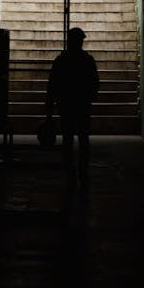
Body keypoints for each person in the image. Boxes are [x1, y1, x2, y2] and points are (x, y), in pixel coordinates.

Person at [46, 27, 99, 188]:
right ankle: (83, 173)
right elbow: (95, 83)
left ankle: (71, 174)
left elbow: (52, 86)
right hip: (82, 105)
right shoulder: (87, 60)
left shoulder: (61, 60)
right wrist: (89, 98)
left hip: (66, 105)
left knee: (68, 141)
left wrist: (49, 109)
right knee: (83, 141)